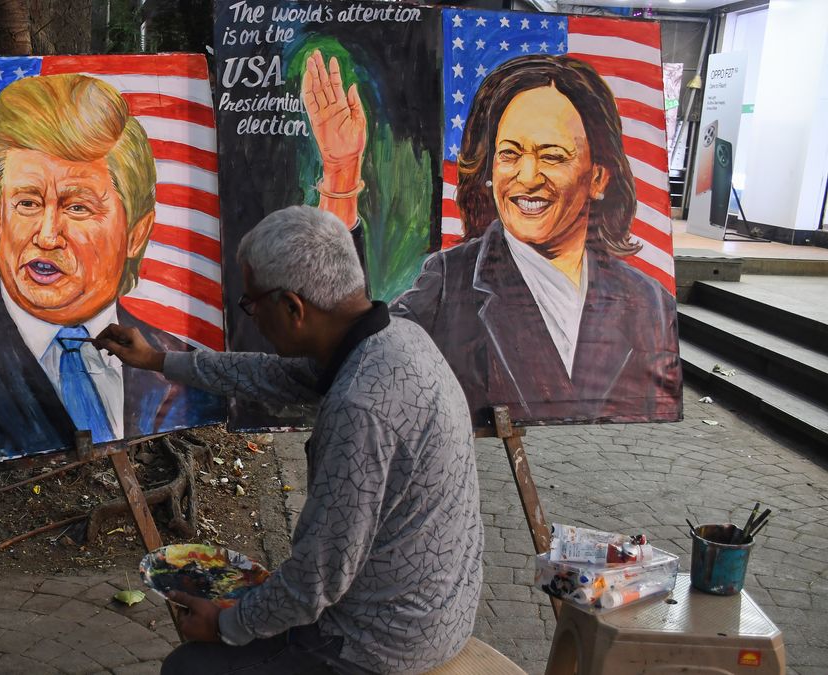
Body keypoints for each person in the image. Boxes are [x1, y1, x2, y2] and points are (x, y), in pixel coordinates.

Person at [96, 205, 483, 674]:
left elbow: (315, 582)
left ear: (294, 308)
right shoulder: (396, 337)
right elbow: (273, 375)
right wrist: (159, 361)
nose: (252, 317)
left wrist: (227, 625)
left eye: (252, 303)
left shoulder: (360, 408)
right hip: (440, 608)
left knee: (188, 667)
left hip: (383, 641)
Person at [0, 74, 220, 477]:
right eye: (27, 202)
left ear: (136, 233)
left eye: (77, 208)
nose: (46, 235)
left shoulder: (177, 365)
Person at [392, 55, 682, 425]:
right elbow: (366, 355)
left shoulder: (650, 304)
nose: (527, 177)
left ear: (598, 177)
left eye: (552, 156)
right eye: (510, 154)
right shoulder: (449, 282)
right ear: (489, 169)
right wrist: (341, 185)